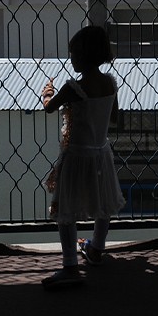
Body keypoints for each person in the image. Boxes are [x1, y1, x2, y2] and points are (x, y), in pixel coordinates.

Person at [40, 25, 125, 290]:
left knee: (66, 210)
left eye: (74, 53)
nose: (72, 58)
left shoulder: (73, 87)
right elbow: (115, 120)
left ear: (84, 55)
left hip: (76, 155)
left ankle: (69, 266)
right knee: (103, 203)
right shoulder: (109, 82)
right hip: (101, 153)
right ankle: (97, 248)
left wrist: (47, 92)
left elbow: (49, 109)